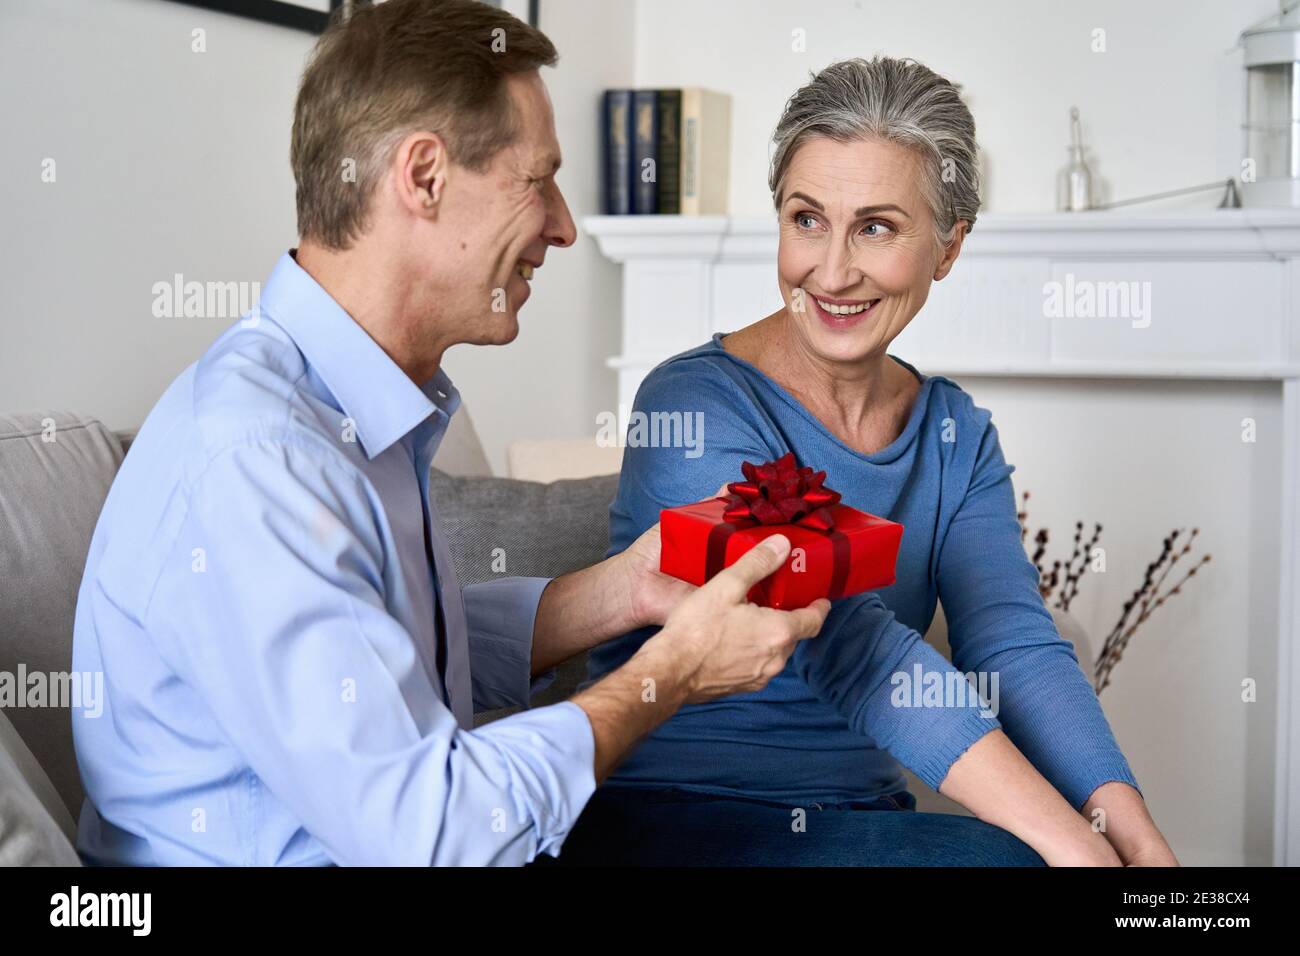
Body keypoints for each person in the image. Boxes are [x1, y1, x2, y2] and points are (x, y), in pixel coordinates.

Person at [69, 0, 830, 867]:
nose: (563, 226)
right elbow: (433, 833)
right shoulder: (260, 459)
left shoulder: (348, 409)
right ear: (424, 176)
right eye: (538, 179)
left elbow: (382, 657)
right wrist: (673, 673)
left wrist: (622, 591)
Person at [552, 57, 1178, 867]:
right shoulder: (693, 404)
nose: (833, 270)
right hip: (668, 817)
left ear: (948, 247)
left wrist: (1137, 843)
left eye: (876, 227)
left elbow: (1014, 646)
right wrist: (1074, 850)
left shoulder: (954, 434)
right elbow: (850, 645)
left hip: (859, 821)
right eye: (807, 219)